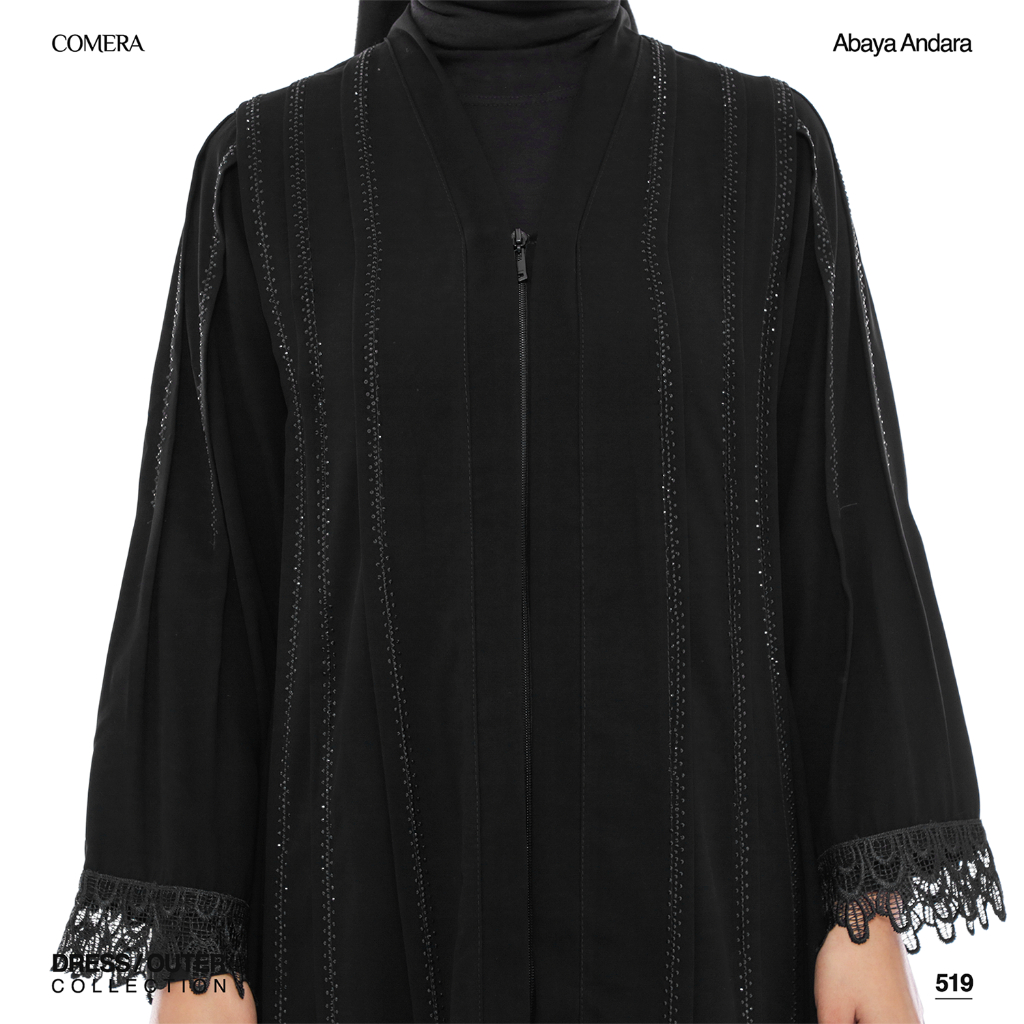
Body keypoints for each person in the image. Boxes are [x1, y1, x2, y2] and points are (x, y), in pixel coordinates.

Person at [55, 2, 1005, 1022]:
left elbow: (843, 537)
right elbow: (205, 570)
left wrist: (865, 917)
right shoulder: (272, 171)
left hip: (705, 934)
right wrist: (195, 963)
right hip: (359, 934)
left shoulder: (760, 157)